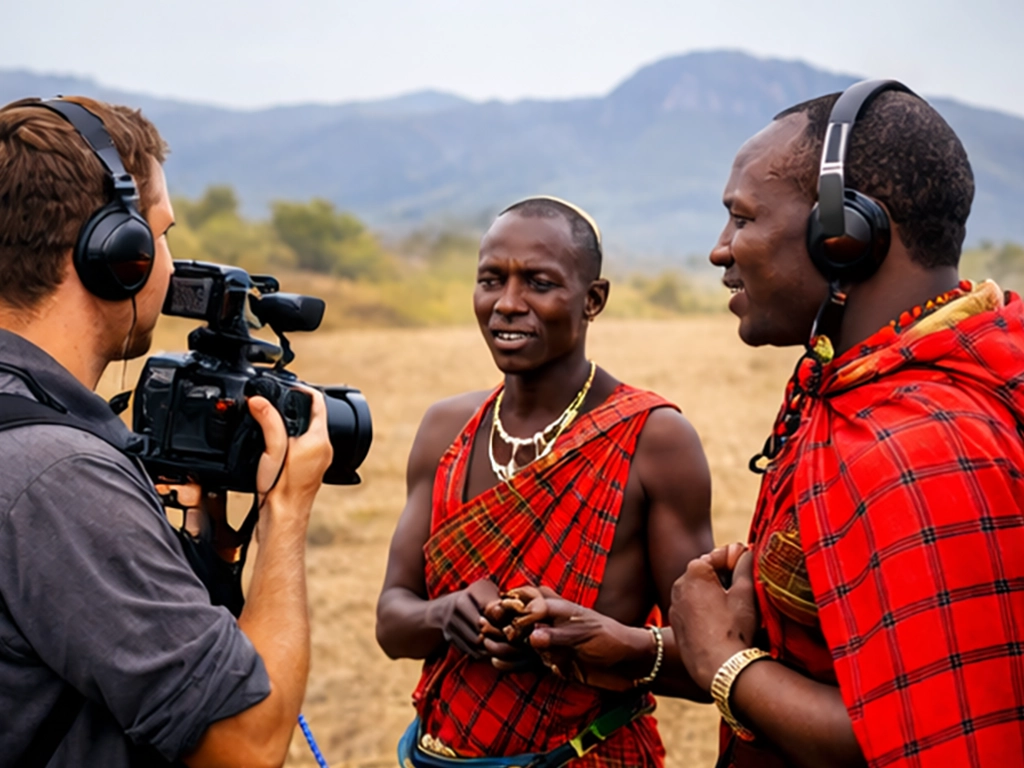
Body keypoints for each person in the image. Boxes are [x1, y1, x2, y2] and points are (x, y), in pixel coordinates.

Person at [666, 81, 1024, 767]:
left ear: (845, 236)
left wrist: (724, 661)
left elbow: (933, 743)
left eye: (741, 219)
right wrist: (648, 651)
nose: (720, 249)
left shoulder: (918, 448)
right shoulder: (879, 379)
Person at [0, 96, 333, 767]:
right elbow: (248, 744)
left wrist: (207, 555)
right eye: (161, 234)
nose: (171, 265)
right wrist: (286, 517)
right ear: (113, 255)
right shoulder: (57, 475)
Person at [375, 196, 713, 766]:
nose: (507, 304)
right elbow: (392, 622)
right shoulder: (445, 430)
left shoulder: (655, 441)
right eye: (491, 280)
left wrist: (595, 641)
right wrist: (446, 613)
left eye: (538, 282)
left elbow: (710, 661)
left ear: (593, 300)